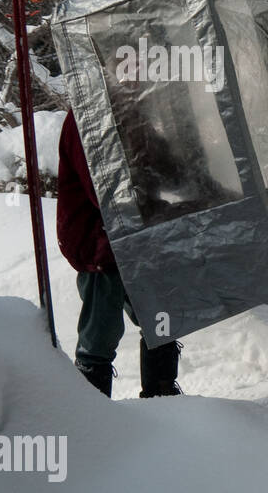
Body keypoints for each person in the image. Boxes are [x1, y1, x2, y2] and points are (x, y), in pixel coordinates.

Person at [56, 112, 183, 398]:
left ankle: (164, 400)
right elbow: (103, 190)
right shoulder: (85, 117)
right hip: (97, 242)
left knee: (162, 316)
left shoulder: (132, 111)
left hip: (135, 236)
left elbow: (166, 166)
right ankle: (95, 415)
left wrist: (189, 170)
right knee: (100, 333)